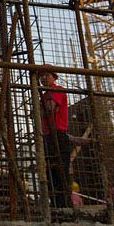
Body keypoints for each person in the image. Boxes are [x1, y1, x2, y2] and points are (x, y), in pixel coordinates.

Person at [39, 64, 72, 209]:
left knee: (60, 175)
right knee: (50, 175)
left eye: (47, 75)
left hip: (58, 136)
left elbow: (49, 109)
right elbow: (40, 114)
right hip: (47, 137)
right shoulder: (44, 95)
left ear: (54, 77)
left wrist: (43, 107)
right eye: (41, 75)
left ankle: (65, 210)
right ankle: (56, 210)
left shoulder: (57, 90)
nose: (43, 78)